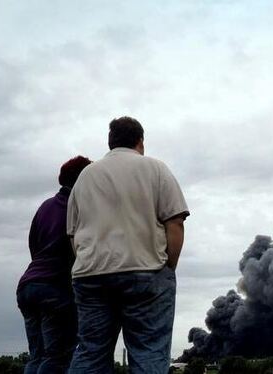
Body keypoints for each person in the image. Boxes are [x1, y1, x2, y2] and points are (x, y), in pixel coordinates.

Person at [67, 117, 189, 374]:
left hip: (91, 276)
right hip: (146, 271)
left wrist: (91, 261)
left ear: (110, 143)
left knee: (91, 352)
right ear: (140, 142)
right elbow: (175, 222)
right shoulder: (156, 169)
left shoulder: (85, 177)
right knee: (148, 352)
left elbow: (73, 235)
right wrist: (169, 266)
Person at [17, 155, 92, 374]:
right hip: (55, 288)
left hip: (28, 285)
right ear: (82, 180)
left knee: (37, 356)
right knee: (58, 357)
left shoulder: (45, 206)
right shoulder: (78, 207)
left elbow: (33, 246)